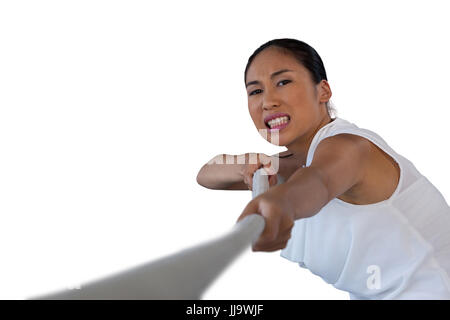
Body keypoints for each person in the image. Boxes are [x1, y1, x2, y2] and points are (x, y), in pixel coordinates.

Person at [196, 38, 450, 299]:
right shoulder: (292, 162)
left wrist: (283, 203)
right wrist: (243, 167)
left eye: (283, 82)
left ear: (323, 91)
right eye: (255, 91)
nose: (268, 101)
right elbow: (206, 174)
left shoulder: (350, 148)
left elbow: (318, 182)